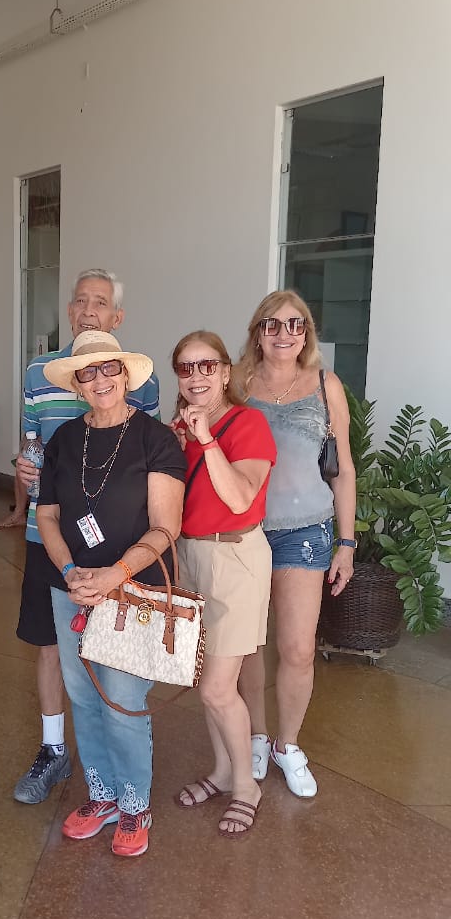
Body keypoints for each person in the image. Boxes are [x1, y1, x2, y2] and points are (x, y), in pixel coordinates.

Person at [12, 270, 160, 805]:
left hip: (123, 553)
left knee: (119, 676)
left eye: (100, 303)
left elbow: (149, 472)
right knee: (59, 653)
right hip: (53, 543)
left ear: (117, 317)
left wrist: (123, 565)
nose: (88, 310)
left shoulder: (145, 397)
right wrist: (24, 469)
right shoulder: (38, 375)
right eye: (80, 301)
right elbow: (30, 445)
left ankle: (130, 783)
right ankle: (59, 753)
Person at [36, 331, 186, 857]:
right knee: (83, 697)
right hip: (72, 590)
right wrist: (71, 571)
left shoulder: (155, 439)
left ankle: (135, 804)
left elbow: (166, 527)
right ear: (77, 383)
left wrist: (113, 575)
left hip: (133, 593)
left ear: (125, 375)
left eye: (109, 369)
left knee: (121, 701)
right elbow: (47, 515)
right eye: (88, 372)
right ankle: (102, 797)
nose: (100, 379)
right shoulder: (63, 440)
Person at [238, 291, 356, 798]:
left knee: (298, 648)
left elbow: (343, 469)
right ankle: (255, 736)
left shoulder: (327, 386)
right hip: (244, 530)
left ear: (306, 333)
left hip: (305, 531)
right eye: (273, 324)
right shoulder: (237, 384)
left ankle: (287, 745)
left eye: (295, 325)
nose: (284, 334)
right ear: (258, 333)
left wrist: (346, 543)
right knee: (247, 645)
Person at [170, 331, 276, 837]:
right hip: (191, 555)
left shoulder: (248, 424)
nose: (197, 377)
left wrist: (207, 440)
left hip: (234, 558)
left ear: (226, 372)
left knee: (218, 687)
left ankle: (246, 786)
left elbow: (238, 499)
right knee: (204, 681)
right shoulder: (179, 431)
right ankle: (221, 770)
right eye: (186, 368)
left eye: (207, 366)